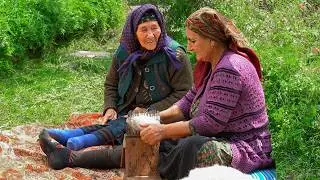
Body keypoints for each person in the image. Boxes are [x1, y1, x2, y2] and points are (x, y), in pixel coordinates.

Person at [38, 4, 193, 170]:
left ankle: (77, 140)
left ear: (161, 27)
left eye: (155, 28)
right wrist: (110, 107)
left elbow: (185, 94)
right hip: (125, 112)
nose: (151, 35)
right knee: (120, 121)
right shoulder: (124, 51)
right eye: (143, 30)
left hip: (161, 116)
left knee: (131, 125)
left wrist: (151, 110)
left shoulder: (174, 55)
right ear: (133, 32)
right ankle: (74, 137)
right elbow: (111, 83)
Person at [139, 7, 274, 179]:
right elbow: (187, 103)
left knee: (192, 147)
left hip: (245, 145)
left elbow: (210, 124)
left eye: (193, 41)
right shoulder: (211, 65)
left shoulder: (230, 68)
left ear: (211, 40)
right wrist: (154, 117)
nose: (189, 47)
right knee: (170, 141)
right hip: (221, 137)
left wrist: (163, 130)